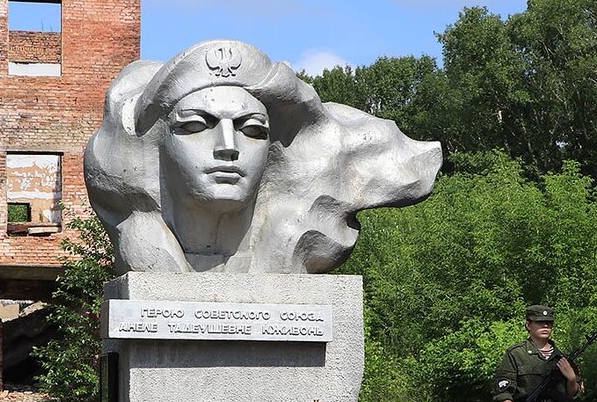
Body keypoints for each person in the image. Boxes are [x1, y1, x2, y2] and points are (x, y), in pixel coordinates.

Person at [84, 39, 442, 274]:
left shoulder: (290, 239)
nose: (228, 145)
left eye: (252, 130)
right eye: (196, 126)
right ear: (156, 147)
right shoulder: (144, 241)